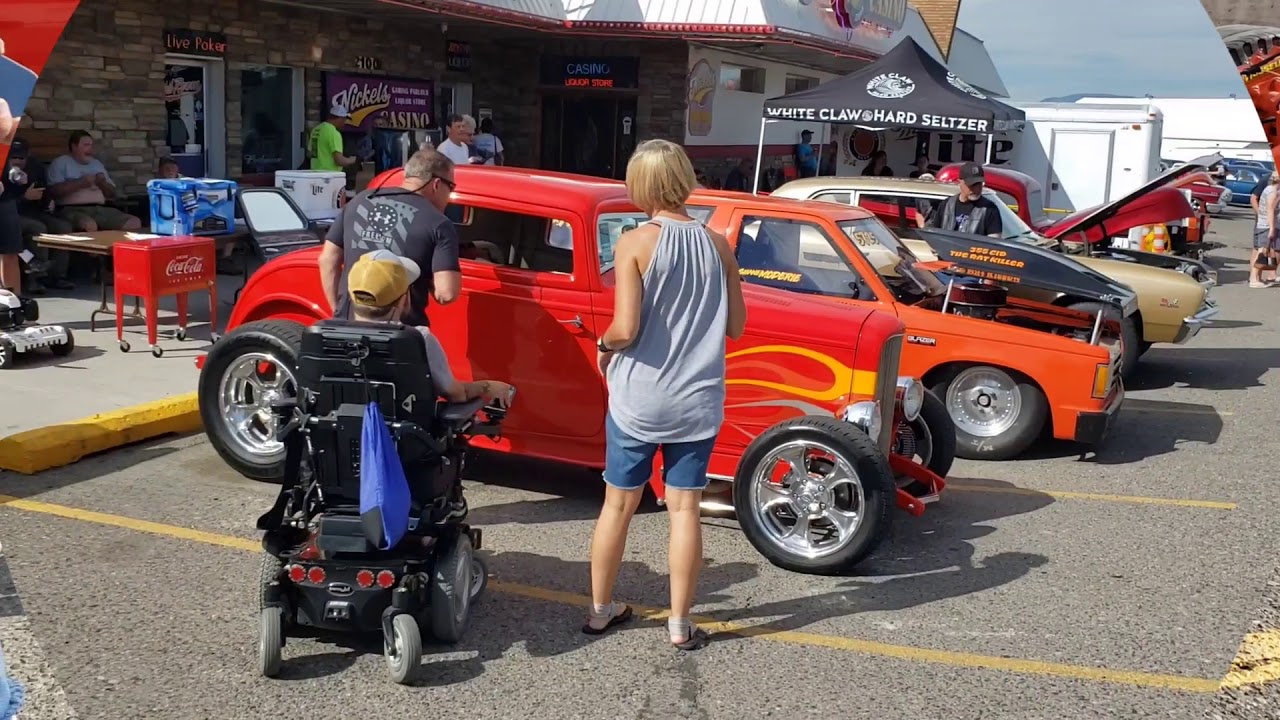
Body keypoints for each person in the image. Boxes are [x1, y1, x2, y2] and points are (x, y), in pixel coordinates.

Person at [586, 139, 747, 650]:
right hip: (697, 401)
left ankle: (599, 611)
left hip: (640, 397)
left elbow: (625, 328)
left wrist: (601, 343)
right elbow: (737, 326)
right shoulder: (719, 244)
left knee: (618, 506)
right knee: (684, 509)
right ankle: (679, 623)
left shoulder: (634, 241)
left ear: (642, 186)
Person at [346, 249, 512, 405]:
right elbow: (457, 394)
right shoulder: (418, 339)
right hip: (403, 434)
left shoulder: (325, 336)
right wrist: (489, 386)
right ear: (404, 299)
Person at [319, 148, 462, 328]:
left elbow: (327, 260)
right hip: (401, 334)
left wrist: (338, 312)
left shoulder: (359, 201)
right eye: (451, 187)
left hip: (348, 324)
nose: (449, 195)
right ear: (436, 184)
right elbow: (446, 293)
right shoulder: (438, 223)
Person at [10, 138, 74, 292]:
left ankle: (57, 276)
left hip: (33, 211)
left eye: (21, 158)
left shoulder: (35, 167)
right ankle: (35, 279)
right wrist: (24, 197)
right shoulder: (3, 169)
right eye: (14, 157)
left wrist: (48, 201)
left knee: (63, 227)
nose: (18, 161)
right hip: (10, 213)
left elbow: (45, 189)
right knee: (37, 228)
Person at [46, 130, 142, 232]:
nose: (90, 149)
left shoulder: (97, 164)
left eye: (91, 145)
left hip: (100, 209)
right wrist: (80, 183)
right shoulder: (60, 163)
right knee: (89, 225)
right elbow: (53, 191)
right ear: (74, 146)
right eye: (86, 145)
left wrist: (102, 184)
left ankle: (115, 248)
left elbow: (112, 194)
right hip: (72, 209)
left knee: (133, 222)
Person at [925, 162, 1003, 237]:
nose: (976, 189)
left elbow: (993, 245)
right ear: (960, 182)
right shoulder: (945, 206)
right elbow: (934, 237)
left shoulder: (990, 210)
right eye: (972, 185)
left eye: (979, 184)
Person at [309, 105, 359, 172]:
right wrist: (352, 160)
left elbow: (310, 152)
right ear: (339, 118)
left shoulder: (316, 129)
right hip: (329, 175)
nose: (344, 123)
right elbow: (339, 161)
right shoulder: (333, 133)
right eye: (344, 119)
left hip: (314, 172)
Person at [1251, 170, 1279, 288]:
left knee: (1261, 250)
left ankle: (1257, 278)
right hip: (1266, 225)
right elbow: (1270, 209)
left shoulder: (1270, 190)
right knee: (1262, 250)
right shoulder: (1274, 192)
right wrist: (1272, 228)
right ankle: (1254, 279)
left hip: (1263, 224)